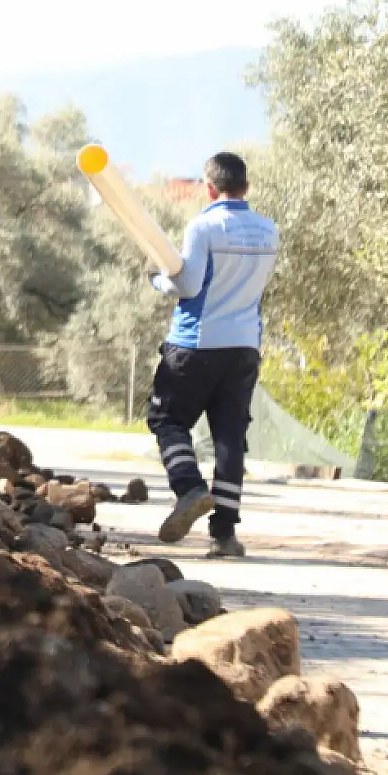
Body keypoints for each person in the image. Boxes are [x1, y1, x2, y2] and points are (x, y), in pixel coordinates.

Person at [148, 152, 280, 558]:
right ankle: (225, 534)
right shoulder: (268, 231)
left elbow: (188, 286)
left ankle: (189, 489)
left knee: (166, 418)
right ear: (247, 186)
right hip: (244, 347)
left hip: (195, 342)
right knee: (229, 437)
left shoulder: (204, 226)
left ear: (209, 187)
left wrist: (157, 280)